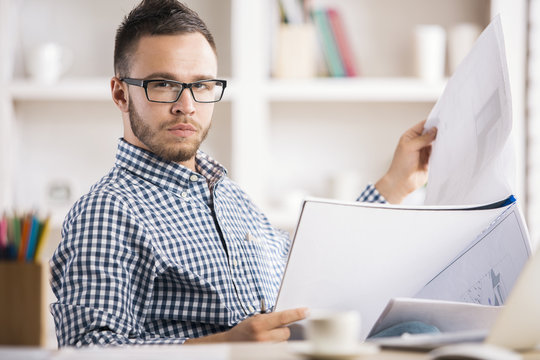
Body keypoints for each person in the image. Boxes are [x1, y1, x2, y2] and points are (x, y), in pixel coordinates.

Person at [49, 0, 437, 347]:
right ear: (121, 94)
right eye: (163, 85)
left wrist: (394, 185)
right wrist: (223, 348)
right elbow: (86, 349)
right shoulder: (108, 210)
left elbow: (311, 268)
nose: (187, 105)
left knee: (422, 330)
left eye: (201, 85)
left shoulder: (227, 194)